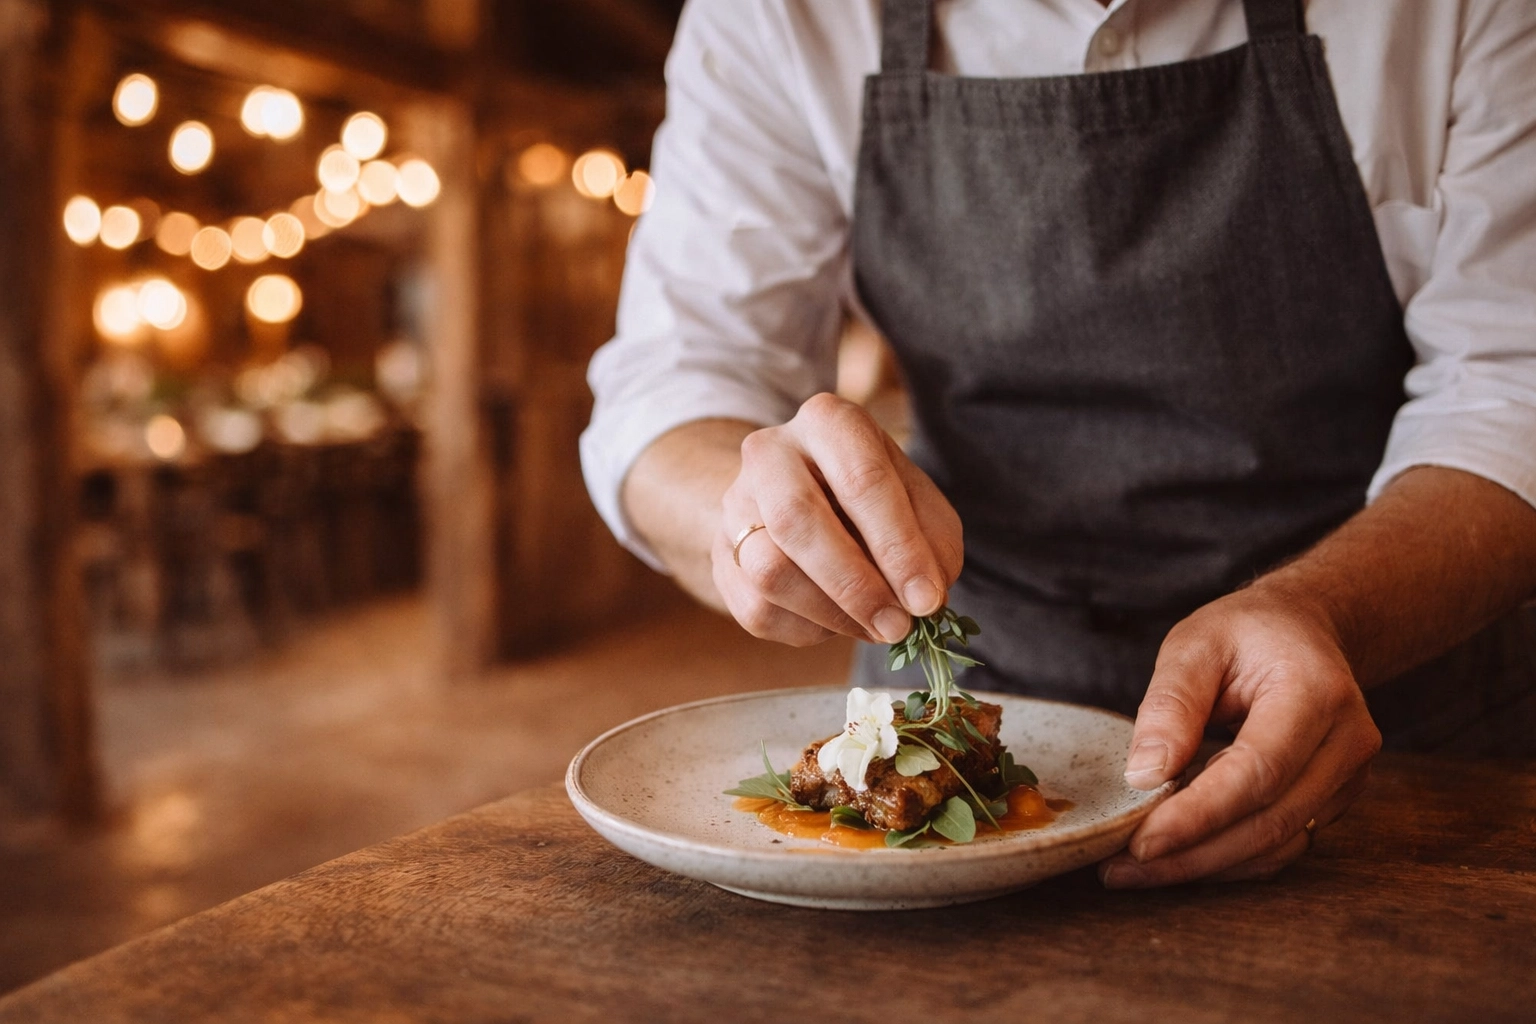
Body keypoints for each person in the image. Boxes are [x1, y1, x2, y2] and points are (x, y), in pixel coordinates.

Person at [581, 0, 1536, 887]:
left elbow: (1511, 386)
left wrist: (1326, 610)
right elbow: (673, 385)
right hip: (950, 765)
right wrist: (749, 516)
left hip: (1393, 732)